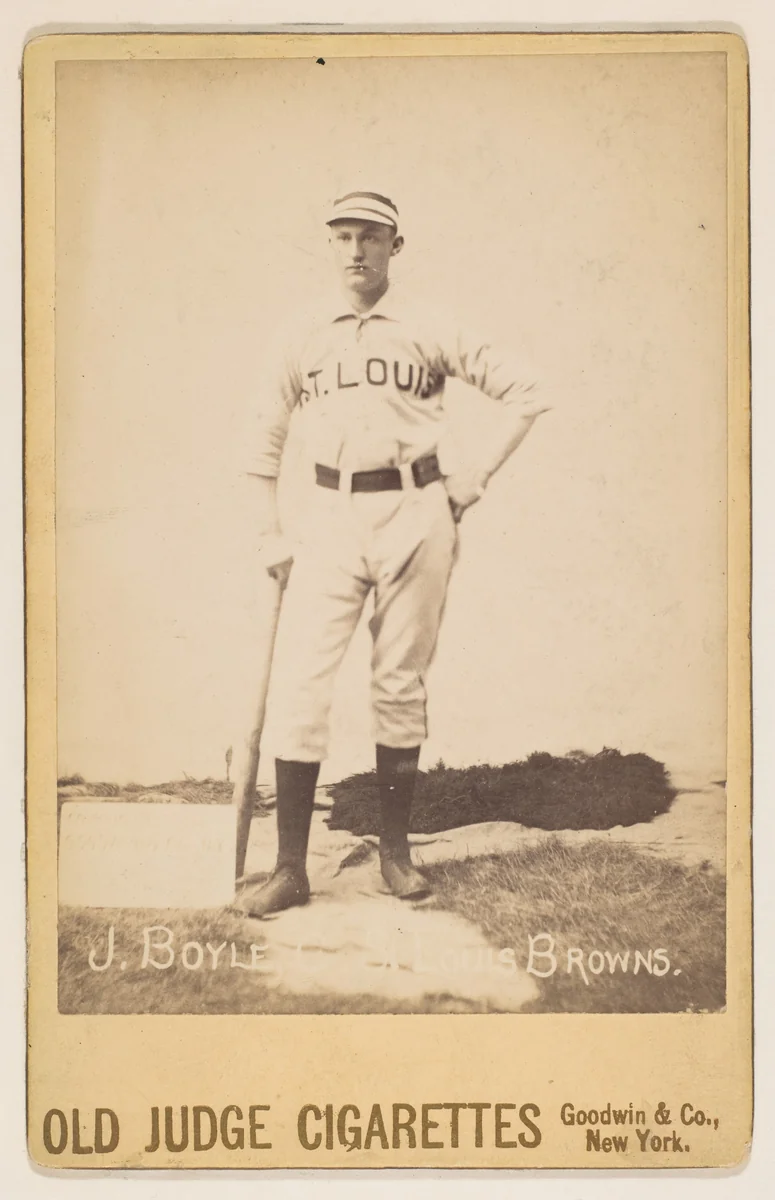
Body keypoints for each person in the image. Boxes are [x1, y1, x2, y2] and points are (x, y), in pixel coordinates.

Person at [236, 189, 549, 918]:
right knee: (301, 687)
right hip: (327, 513)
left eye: (370, 237)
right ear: (329, 244)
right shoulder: (301, 332)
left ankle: (395, 853)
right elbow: (259, 439)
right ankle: (288, 867)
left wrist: (470, 481)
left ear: (394, 246)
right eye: (342, 236)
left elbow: (526, 391)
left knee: (399, 684)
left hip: (415, 510)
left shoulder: (430, 324)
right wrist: (268, 532)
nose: (355, 251)